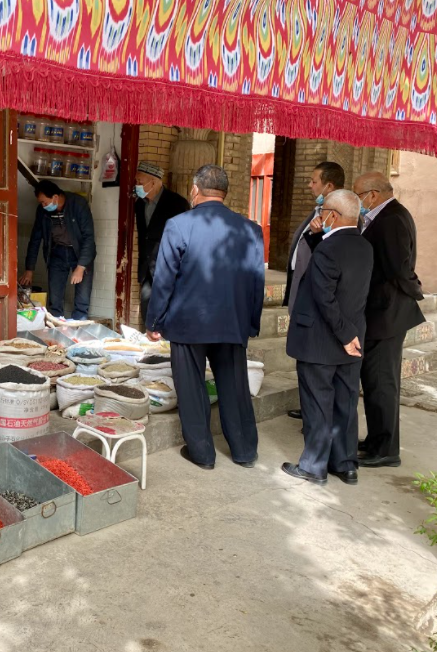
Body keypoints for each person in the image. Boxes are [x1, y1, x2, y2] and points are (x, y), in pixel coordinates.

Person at [146, 165, 265, 469]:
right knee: (234, 387)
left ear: (195, 190)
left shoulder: (178, 225)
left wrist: (154, 321)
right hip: (232, 323)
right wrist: (251, 323)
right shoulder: (250, 229)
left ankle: (202, 454)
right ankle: (244, 451)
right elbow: (256, 281)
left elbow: (164, 279)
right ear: (225, 192)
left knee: (191, 388)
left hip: (188, 324)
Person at [282, 190, 373, 486]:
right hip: (352, 339)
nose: (319, 216)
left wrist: (345, 335)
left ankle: (313, 466)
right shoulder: (363, 246)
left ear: (333, 215)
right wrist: (350, 335)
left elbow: (324, 296)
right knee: (345, 402)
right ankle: (345, 464)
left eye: (323, 211)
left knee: (318, 403)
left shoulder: (329, 249)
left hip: (322, 340)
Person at [353, 172, 424, 467]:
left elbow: (399, 267)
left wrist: (415, 290)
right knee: (373, 380)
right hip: (383, 313)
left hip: (388, 314)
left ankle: (386, 450)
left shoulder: (392, 218)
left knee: (382, 381)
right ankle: (376, 439)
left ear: (373, 194)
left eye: (358, 195)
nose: (357, 201)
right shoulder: (385, 215)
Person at [285, 161, 347, 421]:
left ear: (329, 185)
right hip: (303, 293)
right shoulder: (318, 212)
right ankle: (309, 407)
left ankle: (316, 417)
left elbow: (331, 256)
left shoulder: (338, 219)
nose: (309, 185)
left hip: (317, 300)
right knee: (305, 360)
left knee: (314, 362)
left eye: (314, 181)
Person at [19, 180, 96, 320]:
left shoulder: (78, 204)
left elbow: (89, 238)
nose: (42, 205)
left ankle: (77, 331)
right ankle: (56, 330)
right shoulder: (42, 211)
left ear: (55, 197)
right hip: (57, 254)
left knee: (82, 301)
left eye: (44, 202)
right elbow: (35, 239)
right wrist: (29, 269)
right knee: (55, 300)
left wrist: (81, 267)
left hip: (80, 254)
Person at [134, 161, 190, 326]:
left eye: (140, 182)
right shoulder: (139, 204)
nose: (136, 185)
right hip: (148, 270)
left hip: (170, 268)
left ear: (153, 182)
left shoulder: (177, 204)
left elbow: (186, 238)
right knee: (147, 309)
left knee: (169, 312)